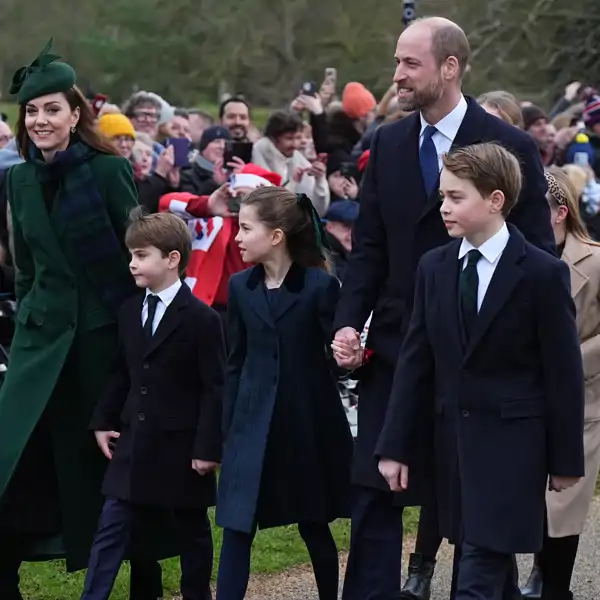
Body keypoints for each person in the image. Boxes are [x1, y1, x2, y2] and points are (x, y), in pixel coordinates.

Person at [331, 16, 555, 600]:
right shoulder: (386, 143)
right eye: (397, 62)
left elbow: (534, 257)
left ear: (450, 67)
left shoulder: (510, 145)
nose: (397, 75)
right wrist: (349, 324)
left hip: (477, 361)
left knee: (478, 512)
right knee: (374, 491)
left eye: (410, 63)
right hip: (396, 354)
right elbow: (370, 249)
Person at [376, 143, 585, 600]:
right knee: (489, 566)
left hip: (515, 449)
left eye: (455, 197)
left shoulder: (542, 274)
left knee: (477, 572)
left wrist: (566, 460)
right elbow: (416, 362)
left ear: (495, 200)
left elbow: (563, 374)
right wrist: (394, 446)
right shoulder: (434, 268)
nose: (443, 207)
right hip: (452, 447)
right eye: (442, 196)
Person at [0, 41, 163, 600]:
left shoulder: (109, 171)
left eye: (52, 109)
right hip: (38, 341)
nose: (40, 120)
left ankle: (145, 566)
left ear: (75, 115)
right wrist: (28, 321)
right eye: (32, 110)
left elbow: (135, 255)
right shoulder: (18, 180)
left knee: (111, 458)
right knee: (15, 454)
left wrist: (134, 338)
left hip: (100, 340)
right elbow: (24, 265)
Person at [215, 187, 353, 600]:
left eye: (245, 228)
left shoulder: (319, 287)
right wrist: (228, 430)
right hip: (250, 425)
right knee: (237, 528)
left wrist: (343, 354)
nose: (237, 237)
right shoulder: (240, 287)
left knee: (313, 522)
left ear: (276, 235)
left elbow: (335, 359)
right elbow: (235, 361)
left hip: (303, 423)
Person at [82, 210, 225, 600]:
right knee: (111, 528)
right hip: (133, 444)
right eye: (131, 255)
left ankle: (197, 595)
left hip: (181, 449)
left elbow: (214, 388)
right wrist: (102, 420)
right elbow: (121, 373)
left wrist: (207, 449)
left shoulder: (202, 319)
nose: (132, 263)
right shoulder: (129, 312)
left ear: (172, 258)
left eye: (142, 255)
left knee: (192, 532)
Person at [520, 168, 600, 600]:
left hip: (584, 399)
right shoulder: (517, 259)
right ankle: (538, 574)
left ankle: (556, 586)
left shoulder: (595, 259)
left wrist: (568, 362)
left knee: (564, 501)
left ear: (560, 213)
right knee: (527, 495)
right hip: (526, 396)